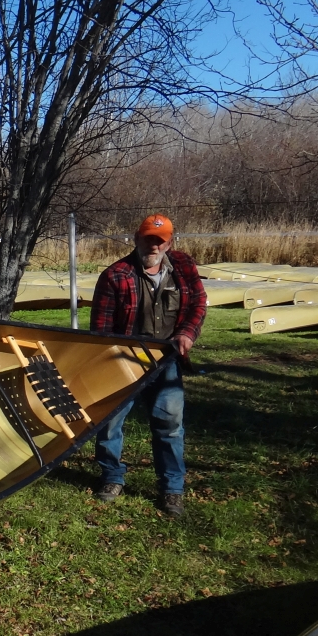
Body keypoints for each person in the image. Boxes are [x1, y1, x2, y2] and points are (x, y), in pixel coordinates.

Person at [90, 214, 207, 517]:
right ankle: (112, 477)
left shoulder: (183, 267)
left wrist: (187, 333)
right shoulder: (115, 275)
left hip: (166, 359)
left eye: (160, 241)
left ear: (170, 242)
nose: (153, 246)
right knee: (110, 423)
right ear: (136, 239)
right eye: (148, 239)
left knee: (170, 426)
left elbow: (198, 303)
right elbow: (100, 331)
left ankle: (172, 488)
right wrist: (106, 366)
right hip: (123, 360)